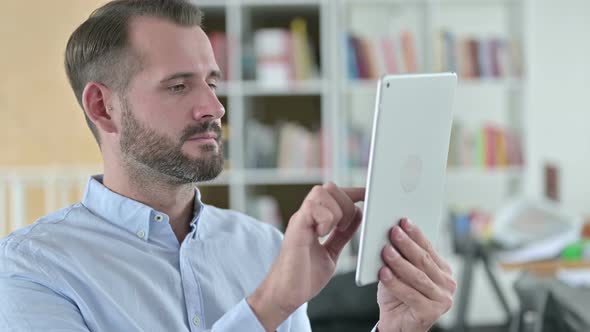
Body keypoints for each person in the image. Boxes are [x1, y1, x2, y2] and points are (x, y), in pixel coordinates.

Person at [0, 1, 456, 331]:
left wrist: (397, 329)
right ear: (103, 107)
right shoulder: (33, 270)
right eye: (179, 86)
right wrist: (266, 307)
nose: (214, 108)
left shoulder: (263, 246)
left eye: (212, 82)